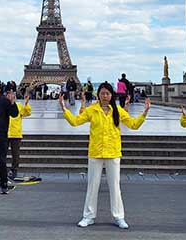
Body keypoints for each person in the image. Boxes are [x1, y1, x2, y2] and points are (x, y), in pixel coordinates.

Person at [59, 81, 150, 229]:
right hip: (95, 152)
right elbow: (75, 122)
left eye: (107, 93)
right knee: (92, 186)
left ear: (111, 95)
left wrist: (144, 113)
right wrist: (64, 108)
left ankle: (119, 216)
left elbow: (133, 125)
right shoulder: (92, 110)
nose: (105, 96)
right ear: (98, 95)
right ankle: (88, 216)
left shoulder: (118, 111)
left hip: (113, 152)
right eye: (102, 93)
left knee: (115, 186)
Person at [7, 90, 31, 179]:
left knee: (15, 154)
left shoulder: (19, 106)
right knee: (2, 153)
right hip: (4, 133)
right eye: (8, 94)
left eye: (12, 94)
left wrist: (26, 103)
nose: (10, 96)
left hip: (15, 134)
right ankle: (3, 169)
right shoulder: (3, 106)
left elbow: (27, 112)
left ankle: (14, 170)